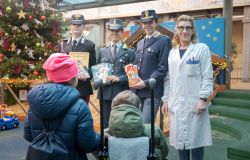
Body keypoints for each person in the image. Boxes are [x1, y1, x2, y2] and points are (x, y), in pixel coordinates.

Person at [24, 53, 100, 160]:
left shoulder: (34, 102)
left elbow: (28, 135)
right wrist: (99, 137)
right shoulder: (80, 106)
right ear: (71, 79)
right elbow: (89, 144)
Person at [161, 15, 213, 160]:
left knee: (196, 145)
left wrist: (203, 99)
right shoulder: (172, 53)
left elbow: (207, 76)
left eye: (188, 27)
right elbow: (168, 79)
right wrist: (165, 100)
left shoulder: (201, 49)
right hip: (176, 104)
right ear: (176, 30)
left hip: (195, 104)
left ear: (193, 30)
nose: (185, 31)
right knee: (180, 145)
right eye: (181, 27)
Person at [131, 10, 172, 123]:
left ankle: (150, 141)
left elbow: (163, 68)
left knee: (145, 125)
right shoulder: (139, 43)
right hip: (138, 92)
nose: (147, 25)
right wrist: (131, 73)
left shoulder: (164, 41)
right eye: (144, 23)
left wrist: (146, 82)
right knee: (137, 125)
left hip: (152, 92)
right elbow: (137, 64)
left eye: (150, 22)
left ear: (156, 23)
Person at [105, 90, 168, 160]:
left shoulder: (104, 133)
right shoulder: (153, 130)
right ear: (139, 107)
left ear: (113, 107)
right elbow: (164, 151)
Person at [97, 19, 135, 128]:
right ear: (109, 32)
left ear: (122, 31)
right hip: (105, 93)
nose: (114, 33)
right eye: (112, 30)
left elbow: (134, 76)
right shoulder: (102, 51)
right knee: (104, 124)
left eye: (117, 30)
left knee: (121, 123)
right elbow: (97, 70)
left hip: (121, 93)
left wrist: (120, 78)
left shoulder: (130, 51)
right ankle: (105, 144)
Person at [60, 14, 96, 103]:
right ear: (70, 26)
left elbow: (94, 67)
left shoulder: (90, 45)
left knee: (82, 115)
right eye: (74, 24)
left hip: (82, 88)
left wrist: (87, 75)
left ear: (83, 26)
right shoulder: (62, 45)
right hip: (66, 87)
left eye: (79, 24)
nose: (76, 26)